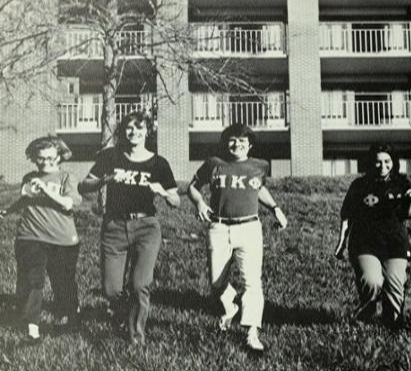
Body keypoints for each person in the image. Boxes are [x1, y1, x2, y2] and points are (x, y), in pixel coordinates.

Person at [78, 111, 180, 345]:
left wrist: (163, 192)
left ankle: (136, 336)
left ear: (147, 131)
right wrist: (105, 180)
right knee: (111, 289)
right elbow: (83, 186)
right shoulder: (110, 156)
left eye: (139, 127)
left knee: (139, 284)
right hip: (114, 225)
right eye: (129, 128)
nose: (134, 132)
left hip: (146, 227)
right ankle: (124, 311)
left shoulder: (158, 163)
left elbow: (176, 201)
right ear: (123, 131)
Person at [187, 123, 287, 352]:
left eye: (242, 141)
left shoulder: (260, 166)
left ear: (250, 145)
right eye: (232, 140)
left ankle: (252, 332)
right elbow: (192, 187)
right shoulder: (214, 163)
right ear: (225, 143)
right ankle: (231, 307)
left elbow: (257, 188)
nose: (237, 145)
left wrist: (275, 208)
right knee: (216, 283)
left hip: (249, 228)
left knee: (252, 282)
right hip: (219, 228)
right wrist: (200, 202)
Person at [0, 136, 81, 343]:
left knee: (63, 283)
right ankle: (32, 329)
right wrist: (8, 210)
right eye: (40, 159)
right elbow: (25, 199)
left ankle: (68, 316)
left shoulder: (67, 177)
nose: (45, 163)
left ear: (59, 157)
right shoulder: (29, 177)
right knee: (31, 281)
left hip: (62, 239)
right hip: (30, 236)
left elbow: (68, 205)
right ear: (34, 158)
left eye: (50, 158)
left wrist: (45, 189)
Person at [335, 143, 411, 328]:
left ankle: (393, 326)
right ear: (371, 163)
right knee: (372, 281)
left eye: (387, 161)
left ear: (393, 162)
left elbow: (410, 213)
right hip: (364, 243)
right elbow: (347, 215)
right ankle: (368, 309)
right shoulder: (359, 185)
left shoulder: (402, 183)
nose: (383, 166)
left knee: (395, 286)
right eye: (378, 162)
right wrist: (341, 243)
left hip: (395, 243)